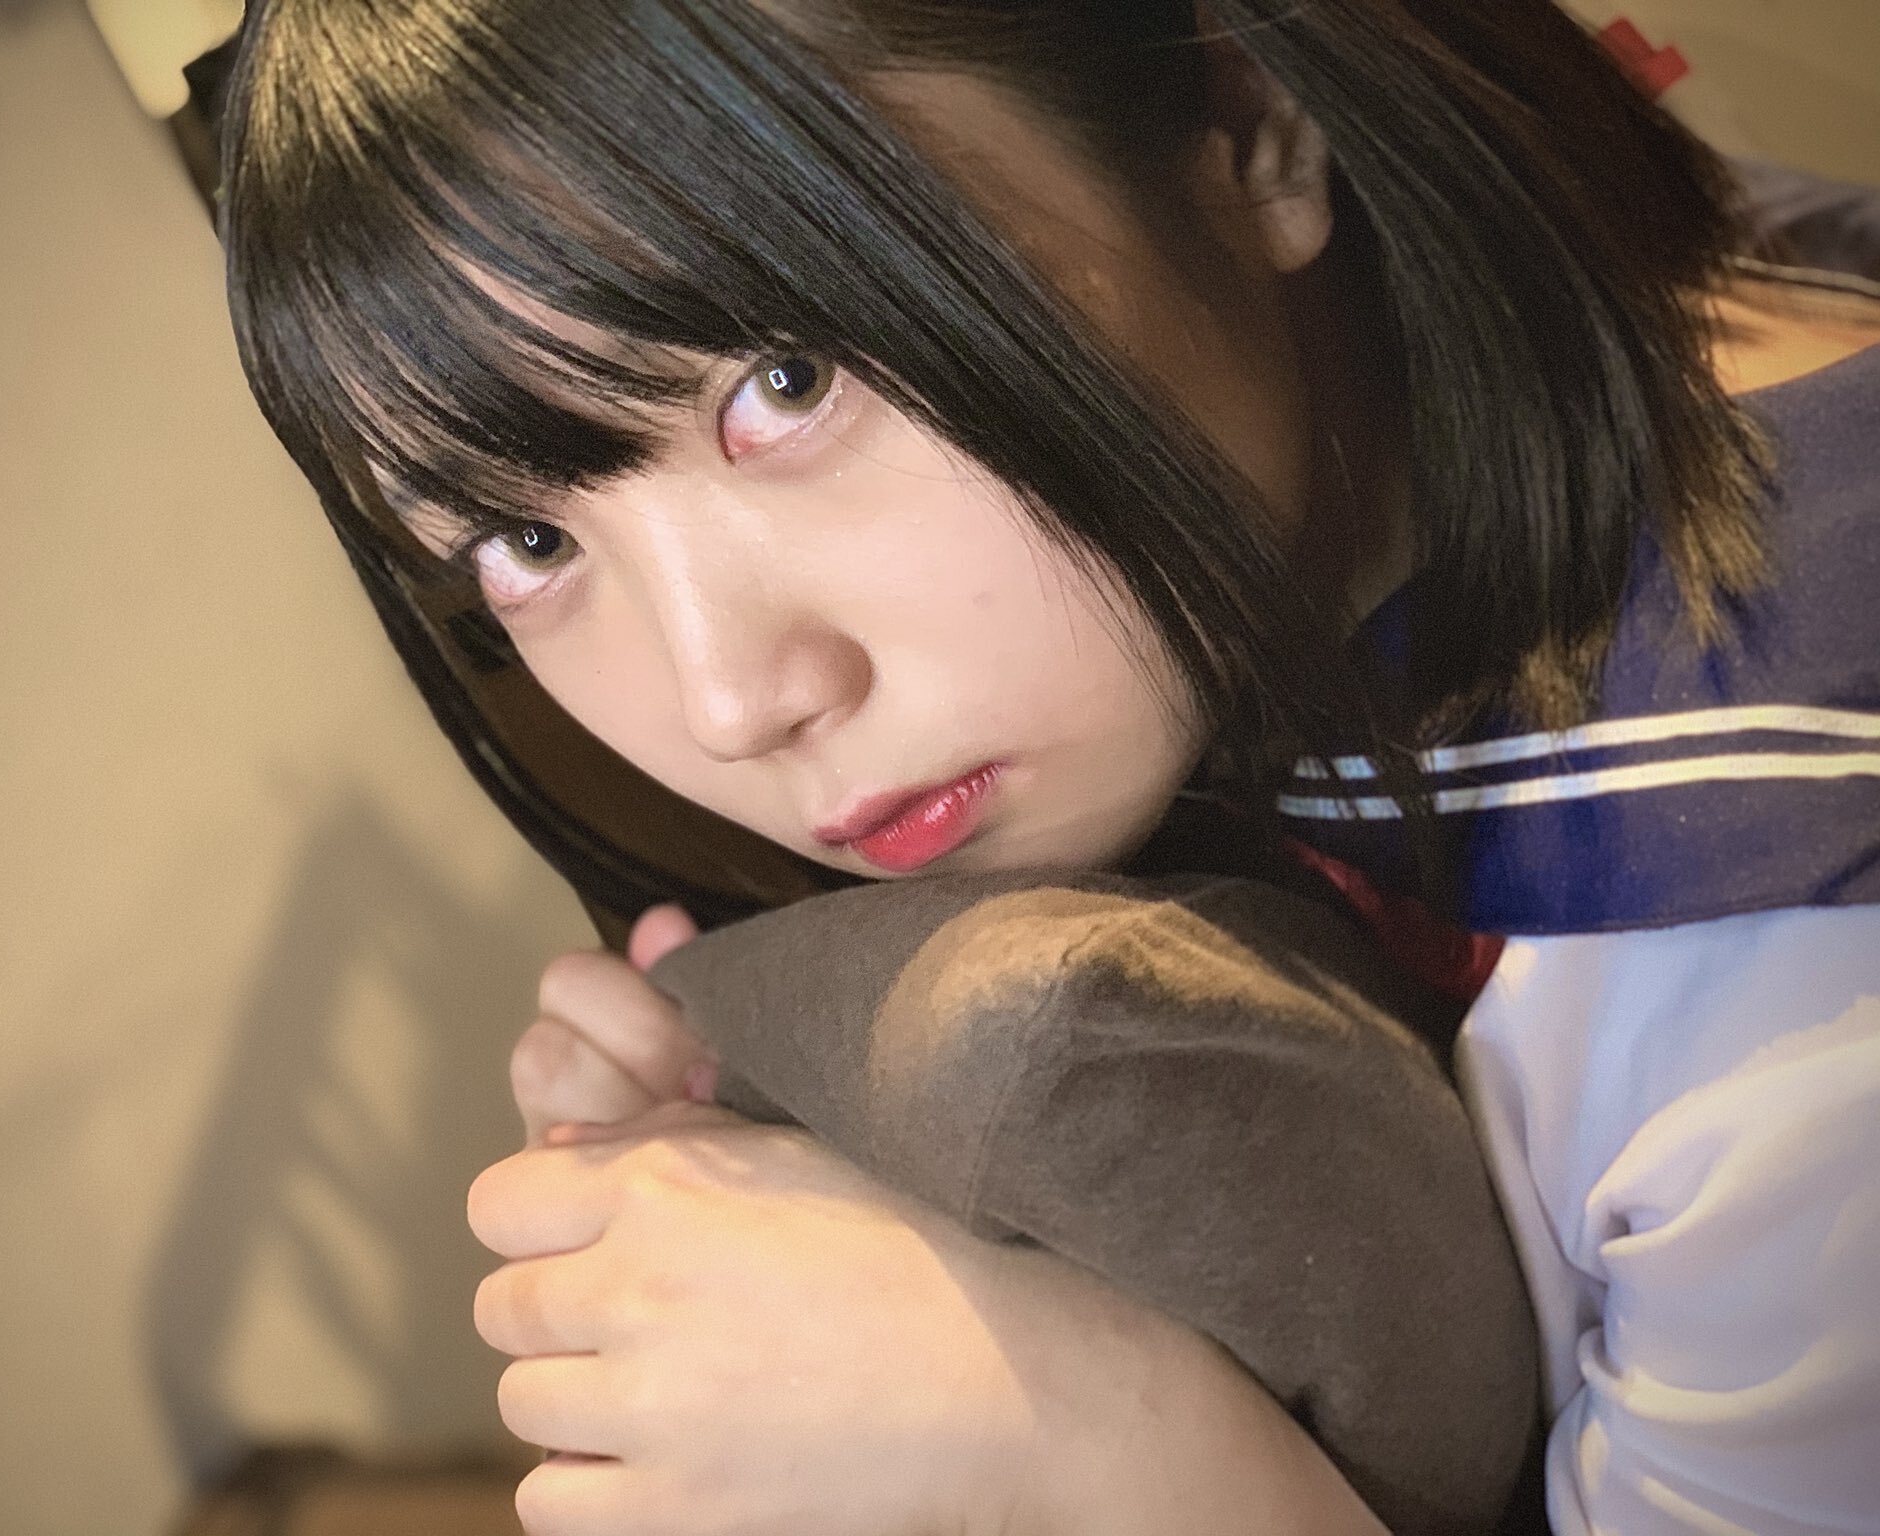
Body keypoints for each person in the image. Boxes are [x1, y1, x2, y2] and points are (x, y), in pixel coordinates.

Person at [213, 1, 1880, 1532]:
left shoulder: (1788, 1015)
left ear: (1248, 123)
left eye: (786, 383)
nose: (727, 702)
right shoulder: (1465, 416)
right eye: (522, 542)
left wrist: (1089, 1450)